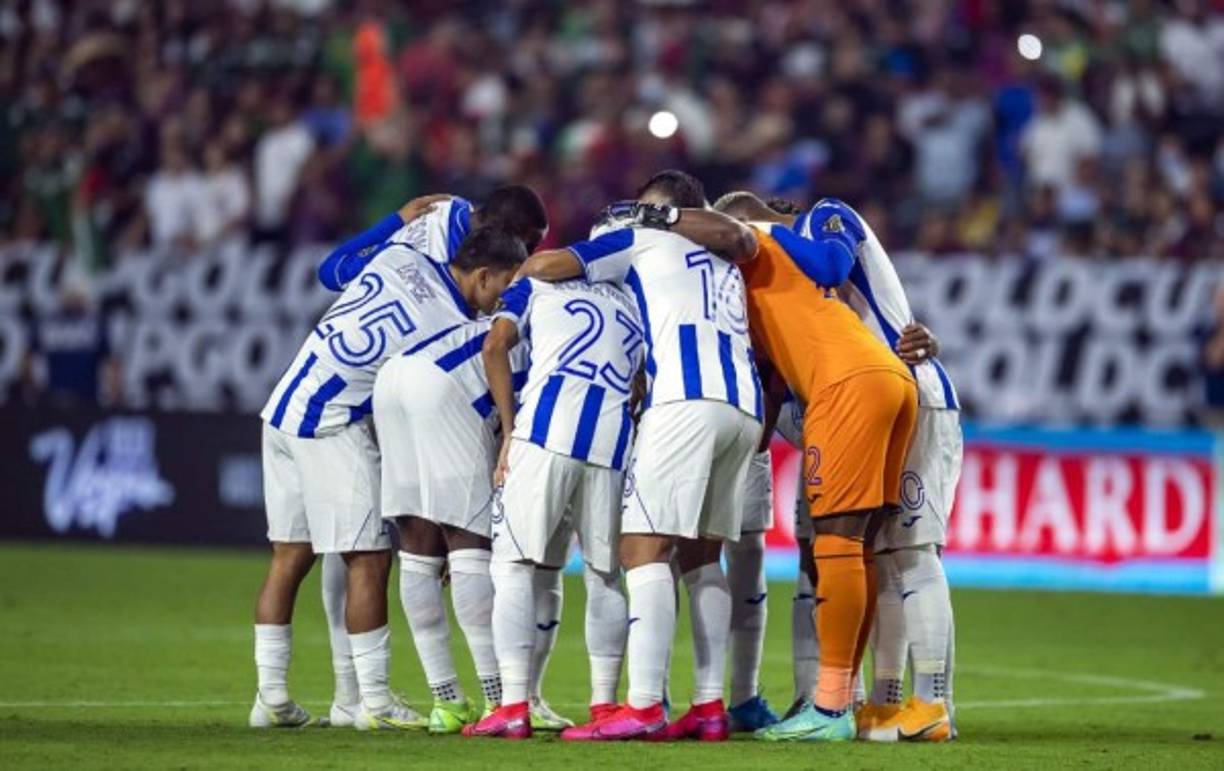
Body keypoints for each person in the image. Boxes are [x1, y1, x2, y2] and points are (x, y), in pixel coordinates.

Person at [513, 170, 760, 741]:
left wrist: (533, 268)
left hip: (686, 400)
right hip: (740, 409)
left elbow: (551, 266)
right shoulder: (725, 264)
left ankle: (644, 706)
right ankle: (709, 705)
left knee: (640, 548)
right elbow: (739, 240)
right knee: (702, 558)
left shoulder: (642, 235)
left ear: (662, 208)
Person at [250, 226, 525, 731]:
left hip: (284, 403)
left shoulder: (402, 256)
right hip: (329, 419)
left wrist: (394, 220)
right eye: (502, 289)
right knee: (370, 560)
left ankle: (271, 697)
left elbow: (331, 269)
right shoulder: (446, 326)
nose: (499, 305)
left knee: (289, 557)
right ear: (483, 275)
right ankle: (372, 702)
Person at [711, 192, 917, 742]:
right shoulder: (770, 279)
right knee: (860, 547)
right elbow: (774, 386)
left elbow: (821, 262)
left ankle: (828, 710)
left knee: (835, 545)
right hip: (888, 376)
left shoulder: (758, 241)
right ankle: (840, 697)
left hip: (845, 384)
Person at [789, 196, 961, 743]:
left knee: (912, 552)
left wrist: (765, 236)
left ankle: (934, 701)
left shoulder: (821, 218)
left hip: (911, 392)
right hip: (879, 402)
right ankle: (886, 702)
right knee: (880, 557)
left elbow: (834, 267)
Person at [465, 262, 644, 739]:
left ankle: (514, 705)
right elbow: (643, 383)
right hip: (610, 445)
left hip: (545, 435)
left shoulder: (534, 283)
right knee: (605, 574)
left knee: (513, 566)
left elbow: (494, 344)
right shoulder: (633, 301)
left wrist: (508, 427)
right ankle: (605, 704)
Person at [372, 316, 529, 733]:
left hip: (391, 377)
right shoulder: (531, 326)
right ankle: (498, 700)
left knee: (417, 545)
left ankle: (446, 702)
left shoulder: (474, 321)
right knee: (470, 543)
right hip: (445, 388)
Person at [316, 185, 548, 290]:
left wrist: (395, 221)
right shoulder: (436, 267)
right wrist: (392, 224)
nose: (529, 256)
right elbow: (330, 273)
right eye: (528, 245)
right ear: (502, 232)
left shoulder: (448, 204)